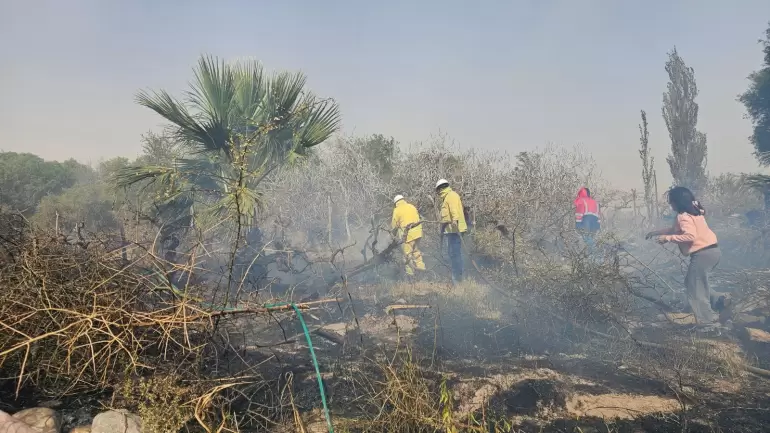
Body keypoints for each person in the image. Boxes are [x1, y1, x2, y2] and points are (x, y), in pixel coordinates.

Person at [646, 187, 723, 328]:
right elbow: (676, 230)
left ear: (677, 202)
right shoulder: (694, 213)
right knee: (693, 282)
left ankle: (708, 323)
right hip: (712, 251)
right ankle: (718, 301)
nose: (671, 205)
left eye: (671, 202)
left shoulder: (683, 216)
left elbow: (690, 236)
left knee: (695, 286)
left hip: (703, 254)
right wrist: (656, 233)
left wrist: (668, 238)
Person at [436, 179, 467, 284]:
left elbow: (454, 210)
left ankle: (458, 279)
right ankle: (456, 277)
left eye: (438, 190)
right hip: (451, 231)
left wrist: (454, 220)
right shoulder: (447, 198)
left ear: (441, 189)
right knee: (452, 253)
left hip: (456, 230)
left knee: (455, 254)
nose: (438, 193)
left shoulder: (451, 196)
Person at [391, 194, 426, 277]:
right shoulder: (411, 206)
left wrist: (392, 235)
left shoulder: (397, 210)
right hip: (418, 233)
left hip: (408, 235)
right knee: (416, 251)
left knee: (407, 255)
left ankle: (410, 275)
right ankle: (422, 270)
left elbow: (394, 225)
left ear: (396, 203)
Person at [574, 187, 601, 255]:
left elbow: (579, 213)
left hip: (586, 220)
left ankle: (594, 256)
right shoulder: (595, 202)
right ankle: (593, 256)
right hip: (595, 221)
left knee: (587, 238)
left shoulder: (581, 201)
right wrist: (598, 225)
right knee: (592, 239)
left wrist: (578, 224)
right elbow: (599, 214)